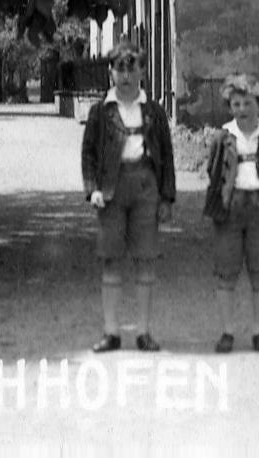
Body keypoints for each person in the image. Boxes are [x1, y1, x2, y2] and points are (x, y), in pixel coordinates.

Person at [78, 42, 176, 351]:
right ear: (110, 73)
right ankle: (111, 331)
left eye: (131, 68)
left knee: (145, 259)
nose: (125, 76)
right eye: (119, 69)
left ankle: (144, 332)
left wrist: (166, 197)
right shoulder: (101, 111)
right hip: (111, 188)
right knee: (110, 259)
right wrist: (92, 188)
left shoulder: (153, 111)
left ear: (142, 71)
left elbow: (166, 155)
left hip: (146, 185)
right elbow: (89, 153)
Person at [201, 73, 259, 353]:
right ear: (230, 107)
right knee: (226, 272)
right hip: (230, 208)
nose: (241, 109)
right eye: (236, 104)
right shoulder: (223, 137)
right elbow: (212, 170)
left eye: (247, 103)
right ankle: (227, 331)